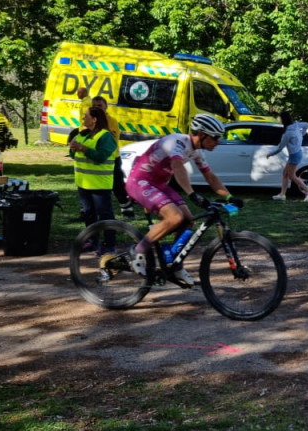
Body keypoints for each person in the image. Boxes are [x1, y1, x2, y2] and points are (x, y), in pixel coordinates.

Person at [124, 113, 236, 287]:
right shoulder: (177, 142)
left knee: (188, 220)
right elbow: (177, 166)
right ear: (202, 134)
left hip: (158, 184)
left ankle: (175, 264)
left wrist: (230, 197)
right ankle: (137, 252)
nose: (218, 142)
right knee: (175, 217)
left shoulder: (197, 151)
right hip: (140, 181)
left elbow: (210, 177)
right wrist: (191, 193)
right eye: (215, 138)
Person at [68, 105, 118, 254]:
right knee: (89, 214)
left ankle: (109, 245)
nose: (83, 118)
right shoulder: (82, 134)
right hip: (83, 183)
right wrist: (73, 149)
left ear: (94, 119)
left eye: (86, 116)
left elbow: (101, 157)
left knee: (105, 216)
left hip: (99, 185)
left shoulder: (106, 136)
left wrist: (82, 148)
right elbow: (74, 155)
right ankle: (92, 241)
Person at [87, 94, 133, 216]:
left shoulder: (111, 121)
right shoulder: (89, 119)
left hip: (112, 158)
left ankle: (127, 208)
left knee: (117, 185)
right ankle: (87, 210)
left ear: (106, 107)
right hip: (95, 157)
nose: (97, 108)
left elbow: (111, 139)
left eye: (100, 105)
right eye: (94, 105)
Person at [268, 111, 308, 201]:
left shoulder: (288, 133)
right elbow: (307, 125)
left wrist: (270, 154)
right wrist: (301, 134)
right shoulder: (296, 125)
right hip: (296, 154)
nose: (279, 119)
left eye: (280, 118)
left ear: (284, 119)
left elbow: (280, 147)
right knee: (285, 174)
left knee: (292, 175)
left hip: (295, 155)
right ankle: (282, 195)